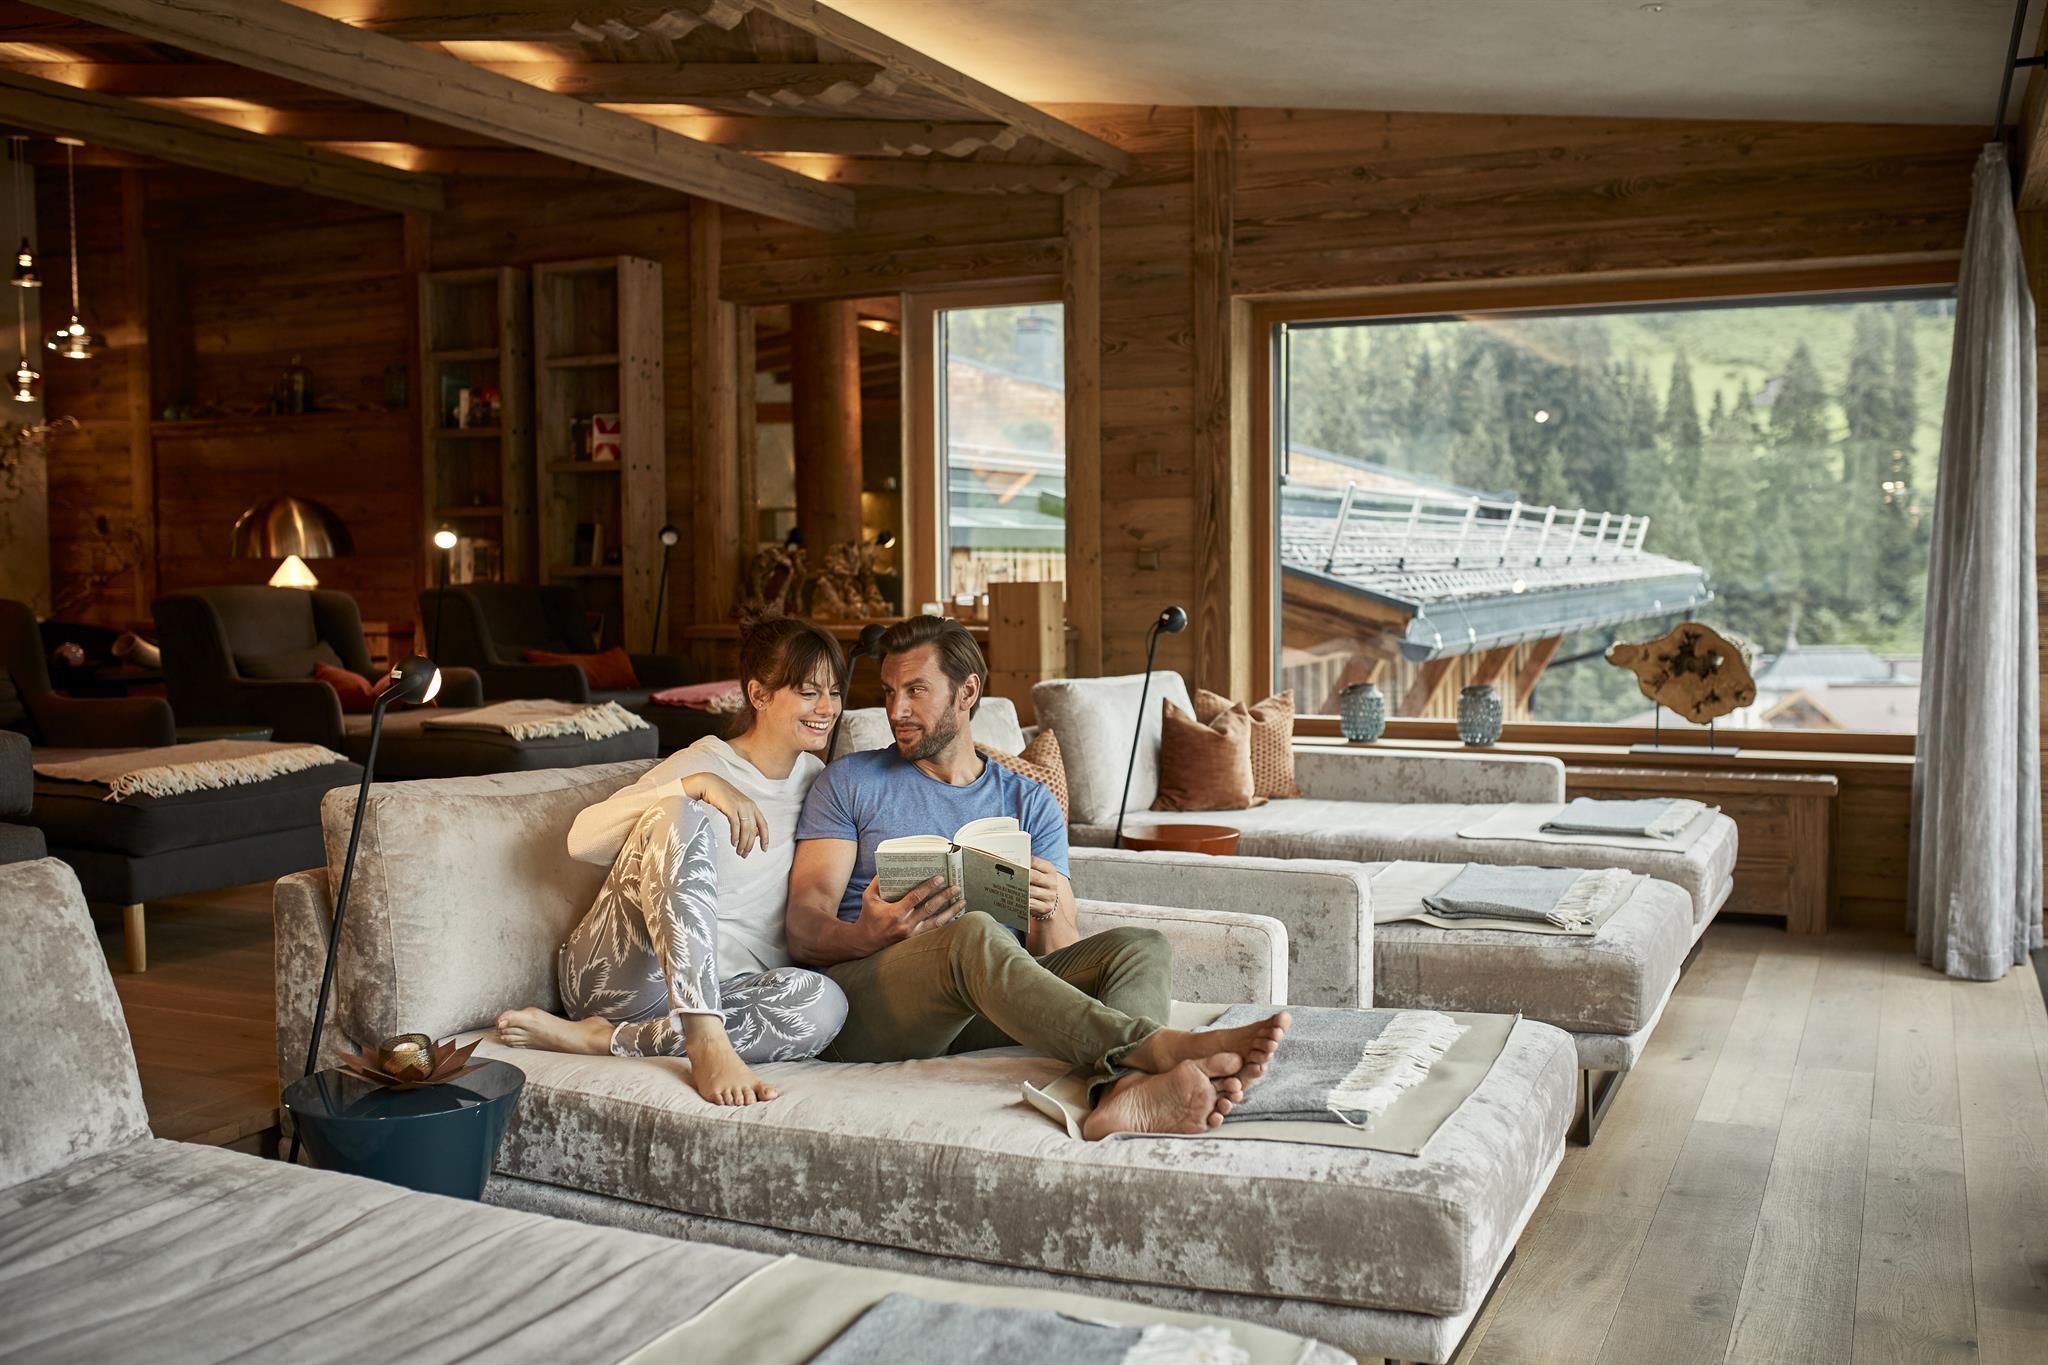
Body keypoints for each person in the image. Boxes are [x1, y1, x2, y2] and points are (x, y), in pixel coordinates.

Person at [787, 615, 1289, 1139]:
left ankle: (1121, 1092)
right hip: (871, 1004)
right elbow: (802, 925)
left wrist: (1045, 907)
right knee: (973, 932)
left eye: (916, 690)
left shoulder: (1029, 801)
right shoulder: (850, 781)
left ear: (967, 692)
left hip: (980, 1005)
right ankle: (1158, 1046)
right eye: (890, 692)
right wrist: (866, 933)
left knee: (1141, 947)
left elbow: (1057, 954)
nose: (897, 710)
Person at [495, 618, 851, 1107]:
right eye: (809, 692)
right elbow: (582, 840)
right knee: (677, 813)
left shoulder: (820, 780)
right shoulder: (703, 762)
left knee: (825, 1005)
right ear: (759, 695)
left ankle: (603, 1040)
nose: (827, 708)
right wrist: (697, 785)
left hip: (726, 992)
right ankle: (704, 1039)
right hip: (622, 977)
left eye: (834, 692)